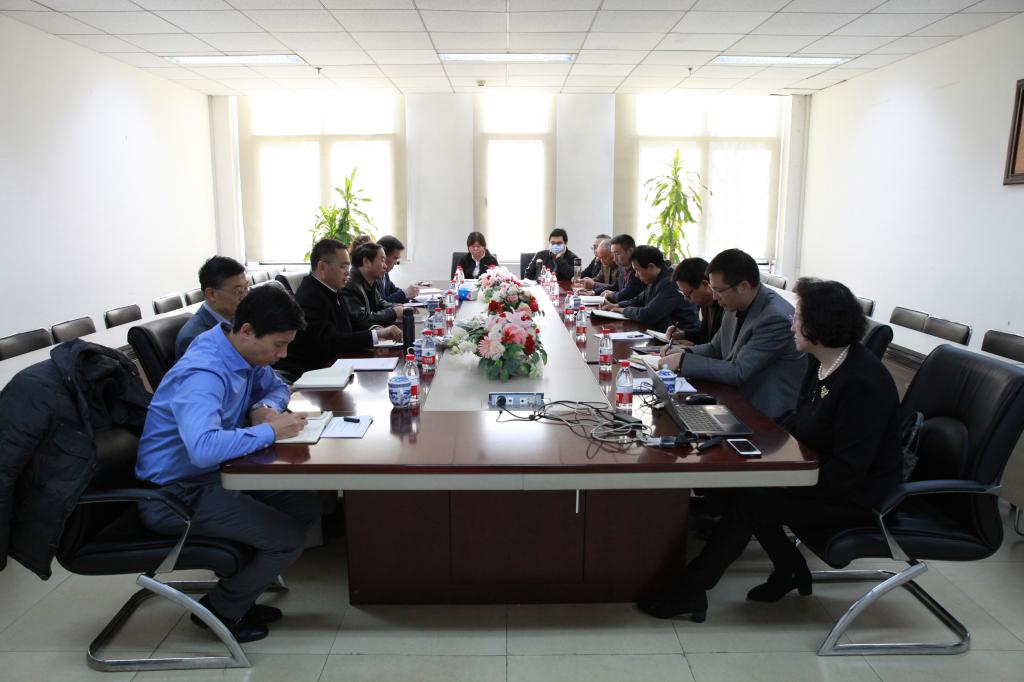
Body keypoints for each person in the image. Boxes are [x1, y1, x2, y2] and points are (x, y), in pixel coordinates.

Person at [639, 279, 902, 621]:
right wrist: (752, 439)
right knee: (747, 487)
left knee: (753, 499)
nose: (791, 324)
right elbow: (802, 421)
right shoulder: (823, 362)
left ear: (819, 325)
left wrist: (780, 476)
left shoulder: (861, 382)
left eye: (798, 318)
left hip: (856, 494)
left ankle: (692, 588)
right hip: (820, 470)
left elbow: (849, 470)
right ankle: (789, 567)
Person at [135, 286, 320, 643]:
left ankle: (242, 588)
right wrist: (269, 431)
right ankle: (222, 609)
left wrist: (263, 407)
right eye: (278, 345)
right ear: (247, 330)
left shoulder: (241, 352)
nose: (283, 355)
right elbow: (203, 449)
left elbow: (279, 387)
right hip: (175, 495)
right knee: (288, 539)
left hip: (216, 476)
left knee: (304, 505)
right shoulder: (203, 372)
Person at [659, 248, 805, 421]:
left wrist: (682, 361)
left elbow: (739, 371)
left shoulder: (774, 318)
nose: (714, 296)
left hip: (766, 414)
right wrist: (683, 352)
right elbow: (716, 348)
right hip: (733, 398)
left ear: (743, 287)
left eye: (718, 290)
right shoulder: (734, 302)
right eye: (712, 289)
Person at [275, 239, 401, 382]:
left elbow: (351, 323)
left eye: (348, 266)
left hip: (333, 365)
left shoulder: (333, 289)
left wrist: (376, 330)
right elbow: (332, 341)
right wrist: (376, 335)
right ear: (322, 267)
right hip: (307, 373)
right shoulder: (310, 296)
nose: (348, 272)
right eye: (343, 267)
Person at [601, 246, 699, 334]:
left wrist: (622, 310)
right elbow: (639, 300)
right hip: (660, 332)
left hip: (681, 337)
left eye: (637, 270)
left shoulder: (671, 282)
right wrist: (616, 305)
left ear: (651, 267)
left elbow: (648, 315)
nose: (636, 275)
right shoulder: (655, 278)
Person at [175, 256, 248, 359]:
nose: (245, 296)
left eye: (246, 288)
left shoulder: (239, 318)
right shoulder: (194, 338)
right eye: (238, 291)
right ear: (211, 294)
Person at [660, 257, 723, 350]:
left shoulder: (725, 306)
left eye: (687, 293)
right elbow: (705, 335)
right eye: (683, 293)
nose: (685, 298)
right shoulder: (705, 303)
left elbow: (719, 348)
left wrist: (694, 348)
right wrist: (683, 334)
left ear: (705, 285)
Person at [341, 242, 403, 329]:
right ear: (366, 262)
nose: (385, 266)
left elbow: (380, 303)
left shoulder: (371, 280)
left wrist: (397, 307)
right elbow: (360, 319)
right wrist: (393, 312)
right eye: (382, 260)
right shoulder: (349, 285)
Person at [596, 234, 645, 304]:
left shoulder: (638, 271)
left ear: (630, 251)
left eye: (617, 254)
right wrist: (594, 292)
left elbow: (624, 296)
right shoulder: (623, 268)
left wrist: (611, 294)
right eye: (613, 254)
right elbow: (614, 287)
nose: (614, 258)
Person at [376, 235, 420, 303]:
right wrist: (406, 293)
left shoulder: (385, 274)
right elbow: (380, 304)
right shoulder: (373, 276)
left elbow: (394, 290)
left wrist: (409, 292)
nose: (396, 262)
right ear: (383, 256)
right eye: (395, 258)